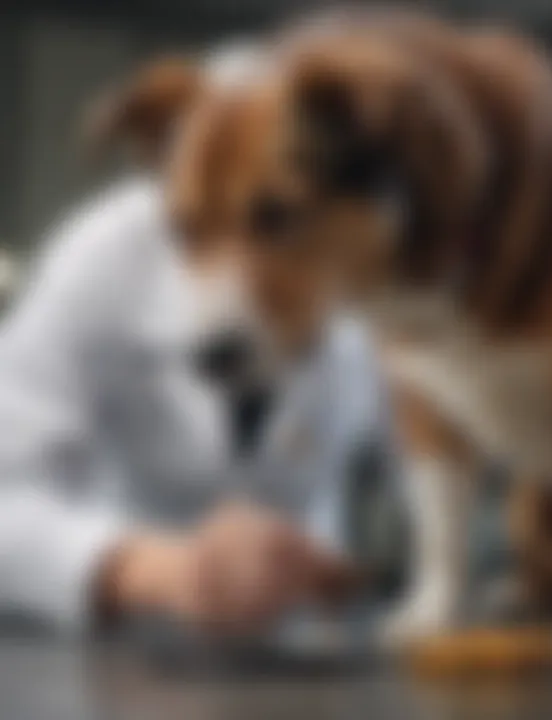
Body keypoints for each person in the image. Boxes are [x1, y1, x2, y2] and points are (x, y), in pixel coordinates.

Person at [0, 43, 399, 638]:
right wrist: (164, 572)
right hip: (118, 653)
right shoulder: (99, 260)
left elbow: (434, 462)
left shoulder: (392, 275)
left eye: (277, 219)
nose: (222, 293)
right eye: (190, 230)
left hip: (316, 654)